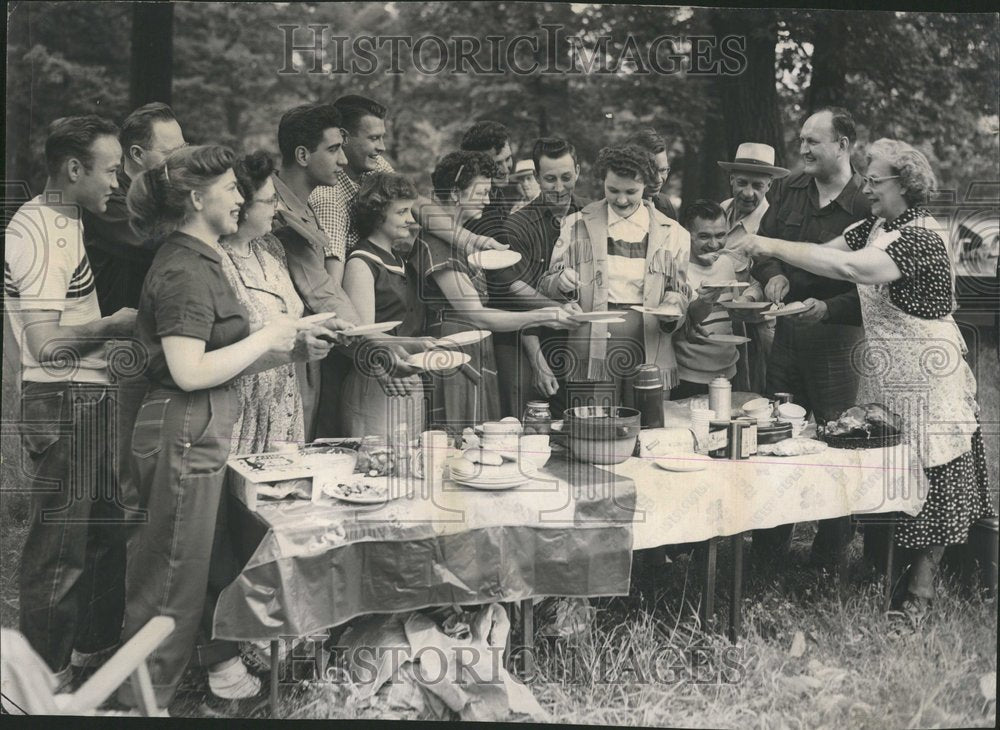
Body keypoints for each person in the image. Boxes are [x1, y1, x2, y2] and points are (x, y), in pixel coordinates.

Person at [728, 138, 994, 613]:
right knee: (890, 466)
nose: (866, 188)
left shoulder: (920, 237)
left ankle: (921, 587)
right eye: (866, 179)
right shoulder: (876, 225)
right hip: (887, 369)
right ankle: (883, 566)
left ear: (905, 185)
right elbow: (822, 252)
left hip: (929, 372)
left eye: (874, 180)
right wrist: (768, 275)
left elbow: (851, 268)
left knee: (936, 469)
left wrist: (764, 241)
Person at [116, 144, 341, 708]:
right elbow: (189, 371)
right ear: (197, 199)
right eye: (230, 189)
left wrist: (284, 346)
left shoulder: (204, 257)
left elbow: (214, 358)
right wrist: (269, 335)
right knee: (169, 581)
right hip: (182, 430)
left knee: (183, 576)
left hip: (201, 428)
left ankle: (151, 695)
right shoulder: (185, 266)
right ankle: (141, 703)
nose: (241, 196)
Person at [4, 115, 136, 687]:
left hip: (89, 397)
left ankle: (87, 663)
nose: (118, 182)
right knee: (58, 553)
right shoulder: (37, 230)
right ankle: (34, 687)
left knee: (103, 533)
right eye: (110, 170)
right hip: (64, 400)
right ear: (73, 168)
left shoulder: (68, 220)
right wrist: (114, 325)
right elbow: (45, 343)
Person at [748, 108, 871, 565]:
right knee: (775, 432)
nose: (802, 149)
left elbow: (878, 287)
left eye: (813, 141)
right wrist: (773, 276)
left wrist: (830, 308)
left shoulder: (866, 203)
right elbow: (764, 249)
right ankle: (768, 544)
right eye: (801, 140)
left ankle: (830, 549)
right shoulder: (786, 189)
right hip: (786, 337)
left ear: (843, 145)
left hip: (839, 339)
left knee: (838, 440)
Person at [271, 103, 423, 439]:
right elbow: (322, 291)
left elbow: (324, 289)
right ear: (302, 155)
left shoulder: (305, 208)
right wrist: (371, 347)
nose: (342, 161)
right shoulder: (275, 209)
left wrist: (374, 345)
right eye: (334, 149)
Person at [81, 103, 189, 557]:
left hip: (151, 347)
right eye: (172, 152)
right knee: (125, 476)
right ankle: (117, 599)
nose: (181, 160)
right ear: (138, 153)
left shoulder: (159, 195)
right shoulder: (112, 201)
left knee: (149, 469)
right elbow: (152, 240)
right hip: (118, 354)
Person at [412, 150, 580, 433]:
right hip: (454, 357)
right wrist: (543, 315)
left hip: (472, 352)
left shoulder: (458, 240)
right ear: (455, 193)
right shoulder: (438, 244)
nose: (488, 201)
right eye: (482, 192)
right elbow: (476, 315)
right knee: (459, 442)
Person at [538, 145, 692, 407]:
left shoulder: (673, 233)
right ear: (603, 182)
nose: (621, 200)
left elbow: (679, 292)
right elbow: (546, 284)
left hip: (650, 344)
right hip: (591, 347)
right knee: (596, 429)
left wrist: (673, 307)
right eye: (613, 190)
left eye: (631, 192)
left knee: (648, 427)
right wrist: (560, 283)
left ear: (647, 184)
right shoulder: (576, 224)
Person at [309, 95, 508, 287]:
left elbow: (416, 204)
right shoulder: (329, 197)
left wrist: (472, 240)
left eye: (382, 138)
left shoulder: (374, 166)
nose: (382, 147)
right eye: (374, 138)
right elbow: (333, 281)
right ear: (344, 137)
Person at [488, 137, 587, 418]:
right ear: (537, 176)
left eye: (567, 177)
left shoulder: (591, 216)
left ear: (578, 171)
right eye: (550, 179)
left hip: (578, 341)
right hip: (527, 339)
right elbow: (515, 295)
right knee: (530, 422)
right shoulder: (517, 225)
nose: (559, 188)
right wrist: (538, 361)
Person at [341, 172, 428, 437]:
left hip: (408, 376)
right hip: (379, 378)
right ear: (377, 215)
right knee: (376, 465)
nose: (411, 220)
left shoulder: (400, 259)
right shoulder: (361, 262)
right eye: (402, 212)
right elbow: (363, 337)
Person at [716, 142, 790, 394]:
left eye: (757, 186)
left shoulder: (774, 223)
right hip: (718, 321)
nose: (748, 193)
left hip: (757, 326)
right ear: (731, 180)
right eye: (742, 183)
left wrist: (749, 298)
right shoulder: (720, 211)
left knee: (758, 392)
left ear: (769, 185)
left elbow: (771, 272)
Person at [671, 200, 763, 398]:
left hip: (729, 371)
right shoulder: (676, 268)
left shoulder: (726, 263)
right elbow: (677, 325)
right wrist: (705, 301)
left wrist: (746, 302)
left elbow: (737, 308)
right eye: (704, 236)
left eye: (720, 235)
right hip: (689, 375)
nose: (714, 244)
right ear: (686, 234)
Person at [460, 120, 521, 236]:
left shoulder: (496, 192)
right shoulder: (475, 207)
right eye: (497, 163)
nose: (505, 169)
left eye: (508, 159)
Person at [626, 128, 678, 221]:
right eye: (650, 171)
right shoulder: (619, 206)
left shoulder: (665, 203)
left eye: (663, 170)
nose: (658, 180)